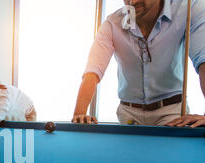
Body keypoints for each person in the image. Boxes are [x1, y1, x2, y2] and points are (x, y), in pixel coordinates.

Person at [72, 0, 205, 126]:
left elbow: (202, 59)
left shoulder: (188, 8)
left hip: (172, 113)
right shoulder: (112, 24)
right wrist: (79, 113)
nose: (133, 2)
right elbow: (93, 70)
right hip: (129, 114)